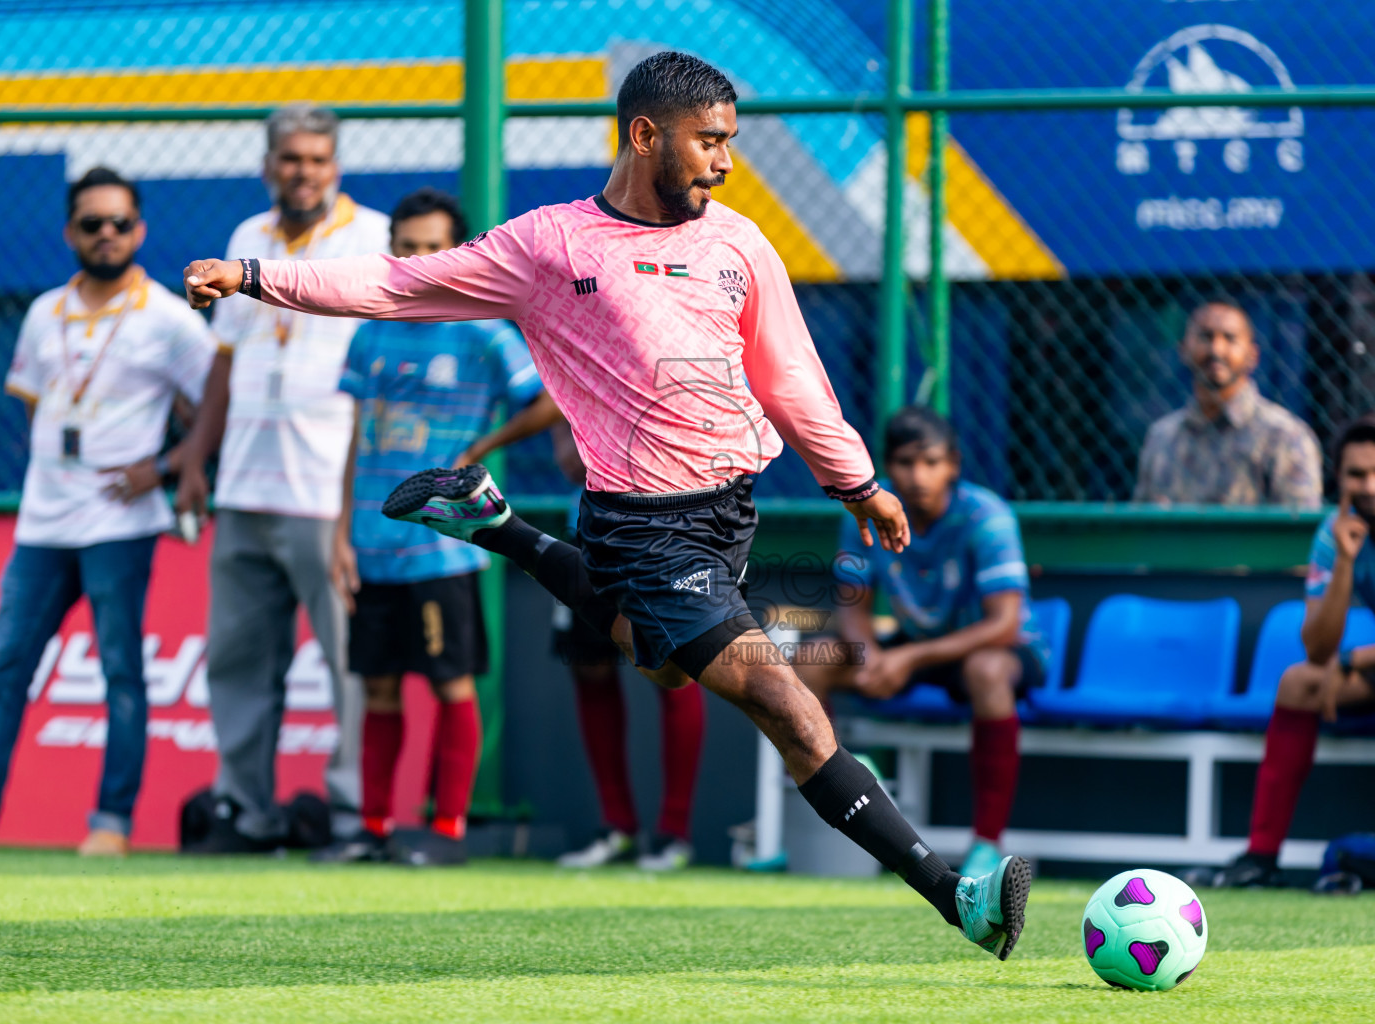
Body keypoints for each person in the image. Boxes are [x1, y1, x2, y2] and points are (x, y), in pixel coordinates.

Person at [185, 51, 1031, 959]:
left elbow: (790, 376)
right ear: (644, 135)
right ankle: (957, 896)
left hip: (729, 516)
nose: (725, 160)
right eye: (709, 141)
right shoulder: (549, 246)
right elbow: (397, 286)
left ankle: (500, 527)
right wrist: (256, 275)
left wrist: (856, 479)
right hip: (643, 526)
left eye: (729, 142)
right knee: (790, 707)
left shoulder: (739, 244)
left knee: (660, 665)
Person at [0, 167, 216, 856]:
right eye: (92, 223)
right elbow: (39, 403)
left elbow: (214, 402)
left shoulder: (167, 317)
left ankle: (111, 824)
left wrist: (162, 467)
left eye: (119, 222)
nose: (106, 234)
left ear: (140, 230)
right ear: (70, 232)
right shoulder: (42, 312)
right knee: (5, 667)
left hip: (120, 525)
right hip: (42, 522)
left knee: (121, 669)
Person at [314, 187, 551, 866]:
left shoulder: (484, 331)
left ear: (458, 253)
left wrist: (478, 451)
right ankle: (375, 828)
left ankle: (447, 830)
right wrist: (339, 531)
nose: (417, 259)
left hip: (444, 547)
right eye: (406, 246)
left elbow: (546, 403)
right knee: (378, 685)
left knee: (451, 683)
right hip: (370, 541)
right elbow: (359, 437)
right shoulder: (369, 328)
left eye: (432, 247)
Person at [176, 104, 390, 852]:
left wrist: (363, 502)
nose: (303, 172)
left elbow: (389, 370)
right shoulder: (244, 239)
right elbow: (225, 361)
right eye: (290, 159)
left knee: (346, 662)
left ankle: (349, 813)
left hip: (325, 488)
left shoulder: (374, 237)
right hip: (243, 484)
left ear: (336, 167)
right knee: (238, 659)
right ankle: (245, 808)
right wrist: (198, 459)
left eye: (317, 159)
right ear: (269, 165)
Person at [1210, 410, 1375, 896]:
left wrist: (1354, 662)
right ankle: (1262, 855)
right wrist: (1345, 565)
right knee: (1298, 682)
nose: (1371, 485)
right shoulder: (1335, 533)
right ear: (1340, 478)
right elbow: (1317, 649)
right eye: (1357, 474)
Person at [793, 407, 1047, 880]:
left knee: (987, 671)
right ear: (888, 468)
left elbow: (1005, 625)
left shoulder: (986, 516)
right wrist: (869, 656)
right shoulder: (866, 512)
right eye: (906, 463)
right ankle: (823, 827)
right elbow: (853, 603)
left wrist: (905, 658)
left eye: (930, 462)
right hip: (916, 644)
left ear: (953, 464)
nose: (917, 475)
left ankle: (987, 845)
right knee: (809, 662)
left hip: (994, 649)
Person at [544, 426, 706, 871]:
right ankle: (618, 827)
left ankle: (675, 834)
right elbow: (571, 448)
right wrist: (567, 435)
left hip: (669, 529)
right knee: (590, 667)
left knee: (675, 671)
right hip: (587, 530)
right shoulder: (577, 356)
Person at [1134, 298, 1322, 507]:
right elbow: (1143, 530)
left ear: (1253, 356)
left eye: (1230, 338)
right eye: (1205, 337)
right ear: (1183, 350)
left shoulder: (1285, 436)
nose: (1216, 350)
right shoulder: (1161, 438)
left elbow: (1298, 533)